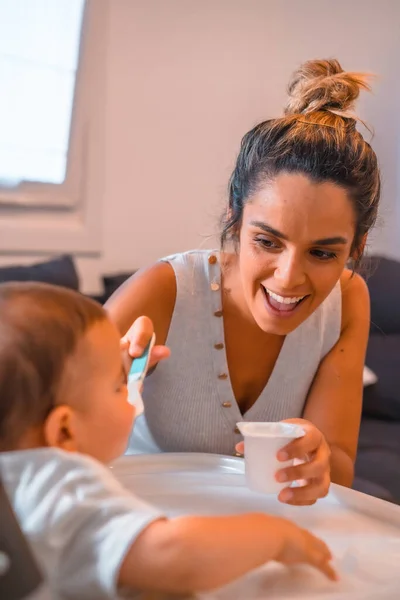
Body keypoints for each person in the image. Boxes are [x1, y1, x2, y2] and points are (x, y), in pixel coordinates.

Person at [105, 58, 379, 507]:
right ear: (235, 221)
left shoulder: (350, 301)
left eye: (324, 253)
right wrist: (107, 388)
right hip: (139, 518)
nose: (289, 278)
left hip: (258, 531)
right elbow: (43, 435)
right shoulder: (163, 289)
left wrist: (316, 459)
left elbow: (340, 464)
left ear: (357, 247)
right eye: (268, 241)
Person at [0, 282, 336, 599]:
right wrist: (273, 535)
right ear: (64, 432)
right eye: (119, 384)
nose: (133, 390)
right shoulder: (59, 481)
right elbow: (173, 553)